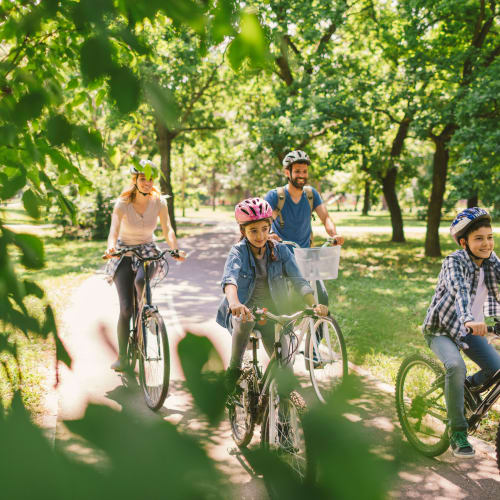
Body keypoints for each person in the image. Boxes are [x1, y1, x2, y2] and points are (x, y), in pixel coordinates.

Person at [215, 197, 329, 390]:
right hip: (244, 310)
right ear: (243, 231)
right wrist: (234, 303)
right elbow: (230, 280)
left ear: (270, 228)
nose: (260, 236)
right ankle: (234, 368)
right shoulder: (238, 252)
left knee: (285, 370)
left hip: (272, 314)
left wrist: (313, 304)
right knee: (245, 319)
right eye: (253, 230)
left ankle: (283, 415)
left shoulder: (281, 251)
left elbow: (298, 280)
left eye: (264, 229)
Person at [423, 207, 500, 458]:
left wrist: (487, 321)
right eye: (479, 238)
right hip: (442, 328)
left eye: (490, 237)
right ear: (464, 242)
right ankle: (457, 430)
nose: (487, 243)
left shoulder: (492, 260)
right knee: (456, 366)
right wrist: (469, 319)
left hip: (469, 329)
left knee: (496, 367)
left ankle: (463, 391)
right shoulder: (454, 262)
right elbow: (461, 293)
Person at [104, 159, 185, 371]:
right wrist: (110, 248)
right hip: (124, 252)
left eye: (150, 179)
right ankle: (123, 357)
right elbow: (113, 231)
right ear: (135, 180)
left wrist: (175, 248)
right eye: (142, 179)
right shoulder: (122, 203)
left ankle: (147, 313)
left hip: (148, 249)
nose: (147, 183)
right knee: (125, 309)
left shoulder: (159, 202)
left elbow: (167, 229)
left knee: (141, 280)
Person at [264, 150, 344, 307]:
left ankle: (318, 330)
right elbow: (266, 223)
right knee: (284, 303)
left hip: (306, 256)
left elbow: (325, 217)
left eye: (305, 171)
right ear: (288, 172)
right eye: (297, 171)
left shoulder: (311, 194)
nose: (302, 175)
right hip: (282, 257)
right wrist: (270, 234)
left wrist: (335, 234)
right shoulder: (276, 196)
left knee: (321, 299)